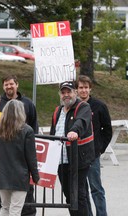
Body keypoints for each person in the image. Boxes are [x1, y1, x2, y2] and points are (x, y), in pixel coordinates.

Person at [0, 74, 38, 216]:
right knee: (15, 209)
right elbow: (31, 157)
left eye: (11, 83)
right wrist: (36, 176)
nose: (9, 86)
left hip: (2, 174)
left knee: (5, 208)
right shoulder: (27, 130)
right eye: (6, 84)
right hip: (20, 175)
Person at [50, 81, 95, 216]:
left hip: (78, 160)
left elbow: (81, 121)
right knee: (69, 196)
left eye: (68, 92)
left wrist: (74, 131)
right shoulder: (58, 110)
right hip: (61, 160)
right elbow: (53, 132)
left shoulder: (83, 107)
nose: (66, 95)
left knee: (78, 195)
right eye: (63, 93)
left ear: (75, 92)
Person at [75, 75, 112, 216]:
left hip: (93, 155)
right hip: (77, 154)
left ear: (90, 89)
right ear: (76, 90)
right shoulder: (74, 106)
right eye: (80, 87)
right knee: (82, 190)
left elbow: (107, 130)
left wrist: (100, 148)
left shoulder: (99, 106)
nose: (83, 90)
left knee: (96, 188)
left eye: (86, 87)